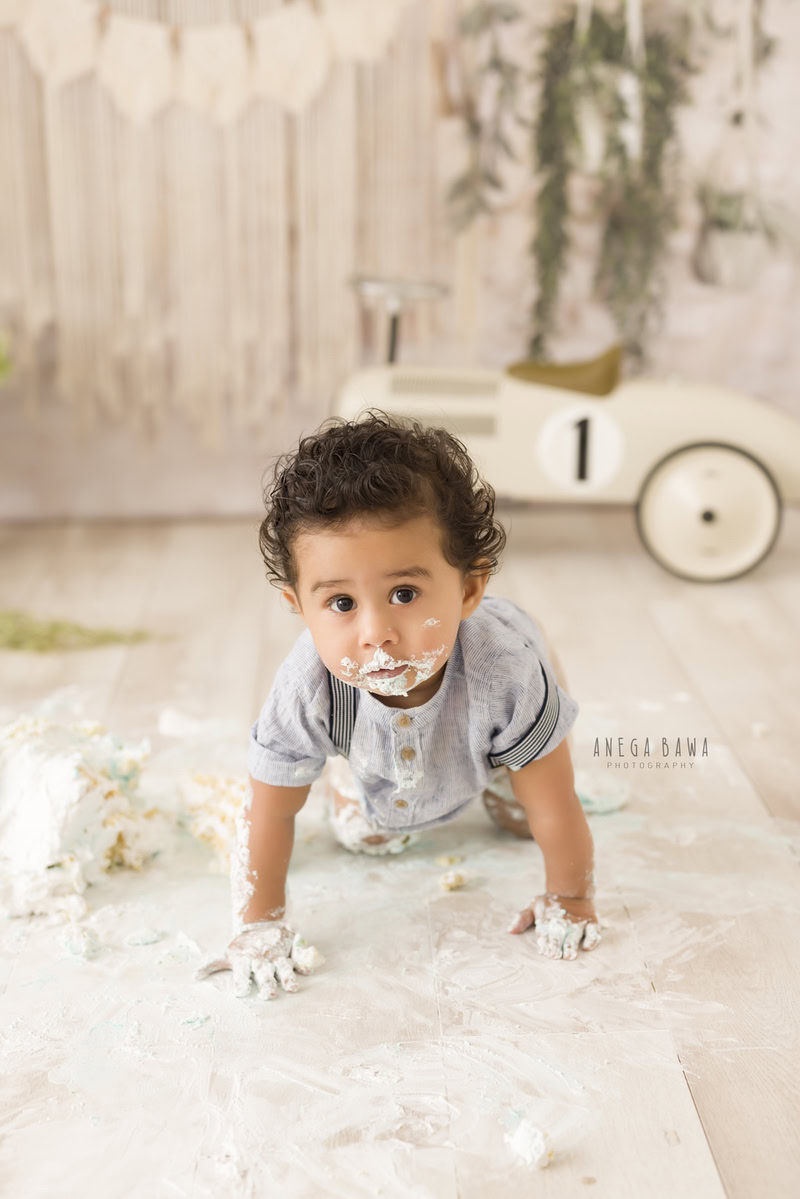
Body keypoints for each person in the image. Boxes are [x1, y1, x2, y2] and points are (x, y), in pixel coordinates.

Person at [197, 410, 601, 1000]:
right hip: (377, 741)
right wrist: (259, 923)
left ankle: (496, 770)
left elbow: (556, 803)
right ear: (298, 606)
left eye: (404, 594)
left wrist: (570, 897)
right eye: (340, 604)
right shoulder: (307, 685)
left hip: (492, 726)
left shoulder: (507, 671)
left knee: (522, 817)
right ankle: (348, 775)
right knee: (369, 834)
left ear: (468, 589)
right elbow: (269, 813)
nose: (376, 633)